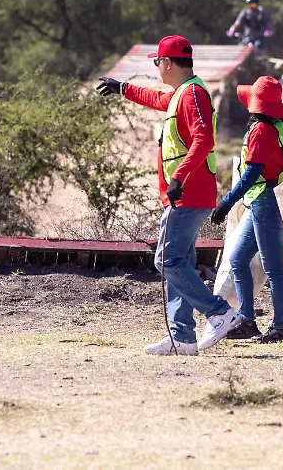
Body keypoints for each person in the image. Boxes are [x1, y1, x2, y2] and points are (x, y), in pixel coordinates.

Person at [95, 35, 242, 355]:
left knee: (167, 259)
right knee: (180, 262)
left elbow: (203, 140)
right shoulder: (184, 94)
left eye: (157, 62)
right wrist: (123, 89)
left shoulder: (192, 95)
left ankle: (218, 312)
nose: (156, 68)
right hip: (187, 192)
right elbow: (158, 99)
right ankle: (183, 338)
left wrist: (178, 177)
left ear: (167, 63)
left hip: (187, 193)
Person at [209, 76, 283, 343]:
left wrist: (226, 201)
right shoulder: (282, 126)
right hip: (268, 200)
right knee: (237, 260)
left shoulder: (261, 130)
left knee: (274, 269)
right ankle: (247, 320)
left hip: (265, 201)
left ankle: (281, 327)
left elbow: (251, 174)